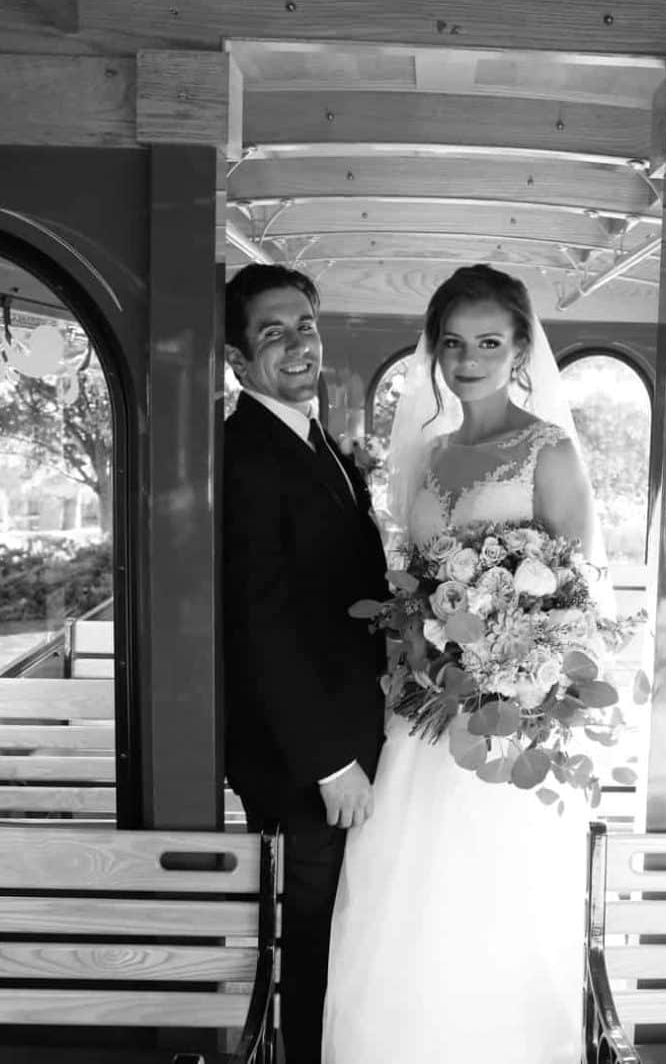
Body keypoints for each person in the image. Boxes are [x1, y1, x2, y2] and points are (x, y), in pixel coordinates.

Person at [323, 265, 601, 1062]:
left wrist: (513, 670)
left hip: (498, 726)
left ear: (520, 351)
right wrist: (416, 638)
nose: (468, 358)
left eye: (488, 342)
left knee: (491, 910)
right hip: (417, 718)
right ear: (435, 353)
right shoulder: (432, 452)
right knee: (403, 904)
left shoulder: (548, 452)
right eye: (453, 343)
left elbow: (579, 602)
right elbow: (409, 579)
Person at [220, 264, 387, 1064]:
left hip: (351, 740)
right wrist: (329, 764)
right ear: (236, 356)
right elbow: (261, 625)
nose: (296, 345)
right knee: (308, 948)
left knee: (345, 936)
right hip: (305, 766)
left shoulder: (313, 438)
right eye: (272, 332)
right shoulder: (246, 455)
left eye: (305, 326)